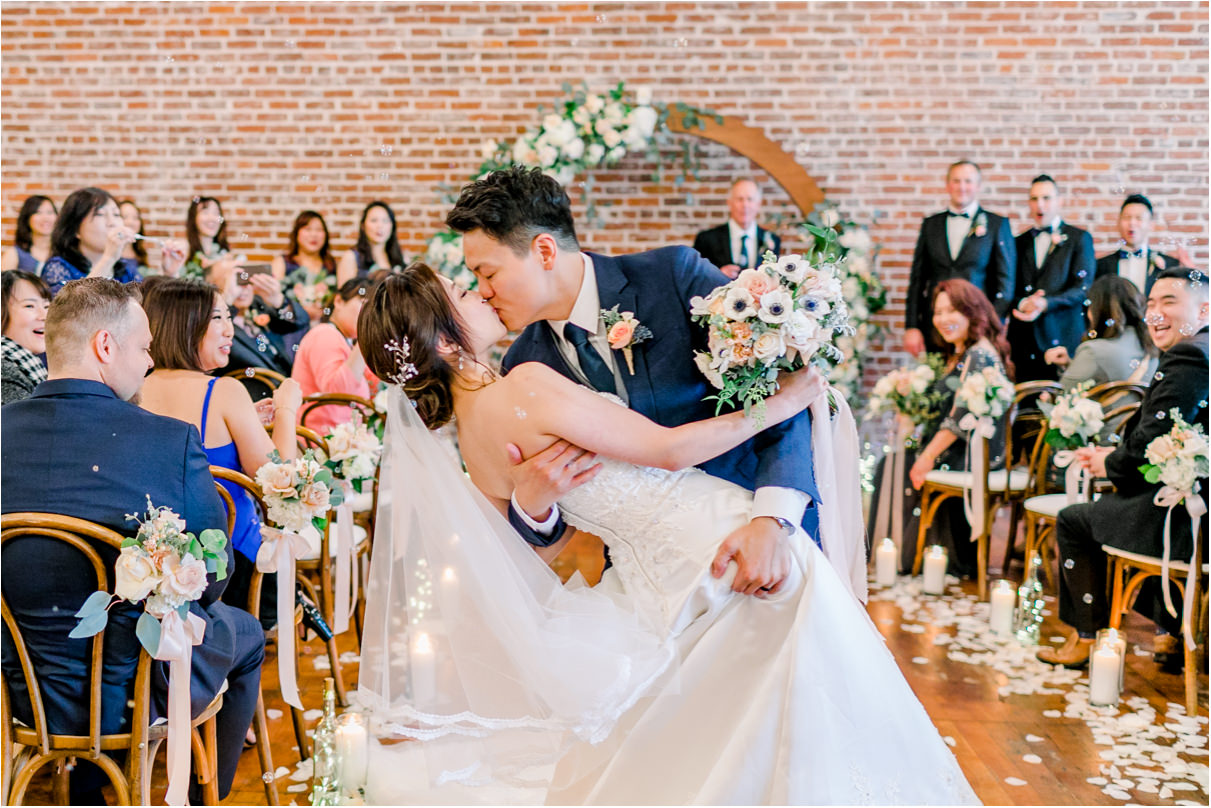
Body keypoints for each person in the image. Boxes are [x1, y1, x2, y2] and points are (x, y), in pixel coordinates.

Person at [351, 264, 977, 805]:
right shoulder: (524, 385)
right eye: (461, 291)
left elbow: (524, 548)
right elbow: (670, 451)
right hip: (712, 539)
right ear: (442, 335)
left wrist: (531, 503)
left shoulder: (470, 444)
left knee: (739, 727)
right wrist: (782, 403)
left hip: (658, 583)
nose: (477, 292)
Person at [446, 166, 818, 594]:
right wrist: (534, 505)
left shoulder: (672, 277)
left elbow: (782, 385)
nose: (483, 291)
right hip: (652, 586)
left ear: (545, 252)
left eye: (487, 274)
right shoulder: (522, 367)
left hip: (761, 544)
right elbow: (572, 510)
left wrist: (773, 519)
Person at [0, 278, 264, 804]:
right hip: (133, 692)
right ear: (105, 346)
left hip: (17, 688)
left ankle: (91, 787)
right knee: (247, 633)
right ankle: (199, 795)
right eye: (144, 348)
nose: (148, 363)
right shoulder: (168, 439)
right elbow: (211, 579)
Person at [1040, 267, 1208, 668]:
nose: (1155, 313)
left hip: (1182, 521)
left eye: (1169, 301)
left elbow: (1151, 441)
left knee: (1073, 520)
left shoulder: (1189, 357)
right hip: (1185, 505)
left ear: (1203, 310)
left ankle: (1084, 638)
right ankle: (1169, 632)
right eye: (1150, 303)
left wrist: (1106, 462)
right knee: (1117, 506)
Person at [139, 277, 302, 629]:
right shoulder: (224, 391)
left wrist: (242, 424)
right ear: (183, 324)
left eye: (230, 318)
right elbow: (281, 482)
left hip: (154, 567)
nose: (229, 330)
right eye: (217, 319)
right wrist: (288, 410)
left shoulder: (133, 387)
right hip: (227, 569)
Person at [867, 278, 1014, 574]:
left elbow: (960, 416)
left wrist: (926, 456)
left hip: (966, 454)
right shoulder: (962, 354)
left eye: (951, 311)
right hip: (957, 449)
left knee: (894, 463)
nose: (942, 320)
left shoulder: (979, 354)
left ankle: (908, 556)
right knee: (890, 461)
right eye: (938, 312)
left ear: (972, 312)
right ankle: (899, 553)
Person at [905, 160, 1016, 355]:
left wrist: (991, 324)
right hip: (936, 326)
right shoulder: (931, 224)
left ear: (978, 186)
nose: (962, 187)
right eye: (956, 181)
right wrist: (912, 326)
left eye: (968, 181)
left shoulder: (997, 224)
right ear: (948, 185)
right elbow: (917, 280)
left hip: (977, 326)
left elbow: (1005, 282)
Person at [1007, 175, 1096, 382]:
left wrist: (1045, 303)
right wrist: (1023, 303)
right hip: (1024, 341)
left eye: (1046, 198)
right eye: (1034, 199)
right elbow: (1007, 288)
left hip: (1063, 337)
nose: (1040, 205)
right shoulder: (1017, 242)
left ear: (1059, 201)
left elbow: (1083, 288)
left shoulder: (1079, 239)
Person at [41, 188, 182, 297]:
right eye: (100, 214)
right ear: (75, 229)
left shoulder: (124, 270)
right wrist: (108, 258)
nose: (112, 223)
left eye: (116, 214)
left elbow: (150, 309)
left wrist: (169, 274)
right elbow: (72, 312)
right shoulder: (57, 268)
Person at [205, 257, 309, 401]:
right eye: (233, 279)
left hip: (287, 390)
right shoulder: (209, 324)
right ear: (210, 286)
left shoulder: (258, 306)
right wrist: (225, 300)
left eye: (244, 277)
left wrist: (278, 300)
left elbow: (300, 321)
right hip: (250, 399)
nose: (242, 286)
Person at [1044, 275, 1157, 392]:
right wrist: (1070, 365)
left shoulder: (1092, 351)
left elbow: (1062, 397)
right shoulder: (1148, 344)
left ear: (1098, 310)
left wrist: (1047, 397)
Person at [291, 277, 374, 434]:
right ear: (338, 301)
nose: (368, 315)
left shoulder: (346, 342)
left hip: (339, 439)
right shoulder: (324, 334)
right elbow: (336, 392)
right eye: (363, 304)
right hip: (319, 443)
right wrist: (366, 336)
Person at [691, 178, 781, 279]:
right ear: (729, 203)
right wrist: (716, 275)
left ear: (758, 204)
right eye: (740, 199)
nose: (745, 205)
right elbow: (693, 277)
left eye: (750, 199)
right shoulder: (706, 239)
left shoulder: (772, 240)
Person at [1094, 194, 1181, 294]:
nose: (1132, 223)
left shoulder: (1170, 265)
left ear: (1151, 224)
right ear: (1118, 223)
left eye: (1139, 218)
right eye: (1127, 218)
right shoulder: (1100, 265)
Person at [272, 210, 337, 327]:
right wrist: (302, 311)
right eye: (308, 229)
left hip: (324, 327)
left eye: (319, 230)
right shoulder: (283, 263)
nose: (314, 235)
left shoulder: (332, 266)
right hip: (290, 329)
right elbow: (273, 300)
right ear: (297, 233)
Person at [1, 270, 51, 404]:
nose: (44, 316)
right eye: (29, 306)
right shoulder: (5, 371)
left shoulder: (24, 363)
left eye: (46, 306)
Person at [336, 200, 406, 285]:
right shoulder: (351, 257)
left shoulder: (401, 258)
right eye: (374, 220)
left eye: (385, 220)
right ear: (363, 225)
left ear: (392, 226)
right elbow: (345, 294)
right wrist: (364, 293)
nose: (380, 226)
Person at [1, 195, 57, 273]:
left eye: (50, 212)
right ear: (27, 218)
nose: (45, 218)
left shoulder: (65, 253)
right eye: (38, 212)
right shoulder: (14, 254)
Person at [181, 195, 231, 279]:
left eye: (216, 213)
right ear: (193, 218)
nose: (212, 218)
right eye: (205, 212)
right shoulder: (184, 250)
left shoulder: (225, 254)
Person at [118, 198, 153, 277]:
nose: (131, 222)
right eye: (124, 217)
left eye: (135, 217)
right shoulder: (110, 255)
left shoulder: (141, 253)